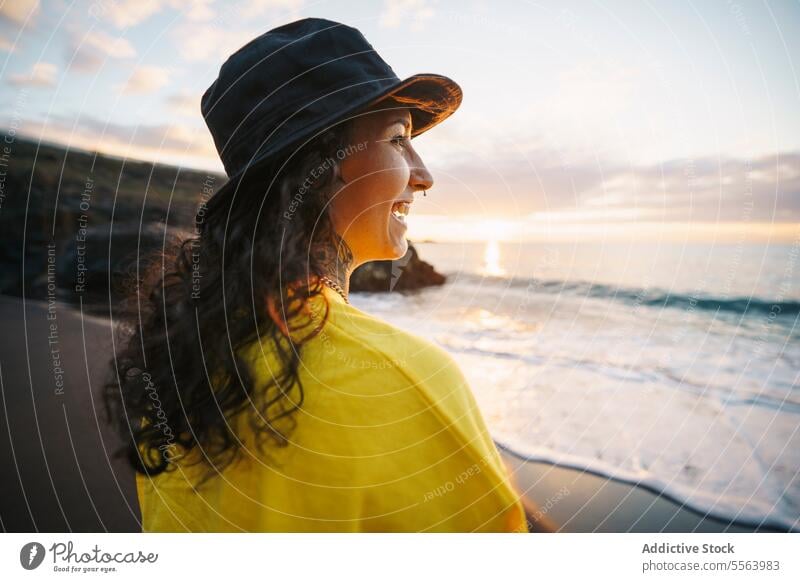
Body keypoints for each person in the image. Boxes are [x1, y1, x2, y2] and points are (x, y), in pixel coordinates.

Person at [106, 17, 529, 532]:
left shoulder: (179, 354)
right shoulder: (401, 377)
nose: (424, 175)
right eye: (398, 139)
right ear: (320, 164)